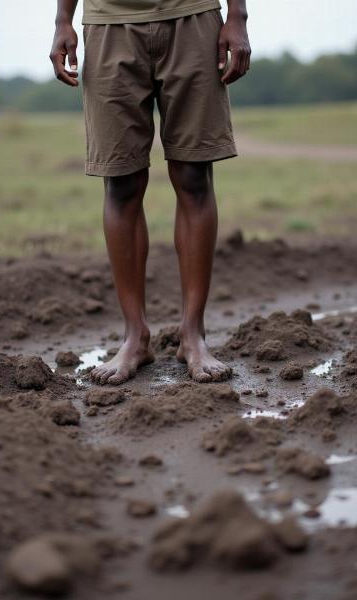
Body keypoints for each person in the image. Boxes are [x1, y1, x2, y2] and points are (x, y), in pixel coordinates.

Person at [50, 0, 251, 385]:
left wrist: (237, 16)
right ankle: (135, 337)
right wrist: (62, 20)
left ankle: (193, 334)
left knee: (194, 175)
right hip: (110, 24)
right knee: (121, 181)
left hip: (193, 18)